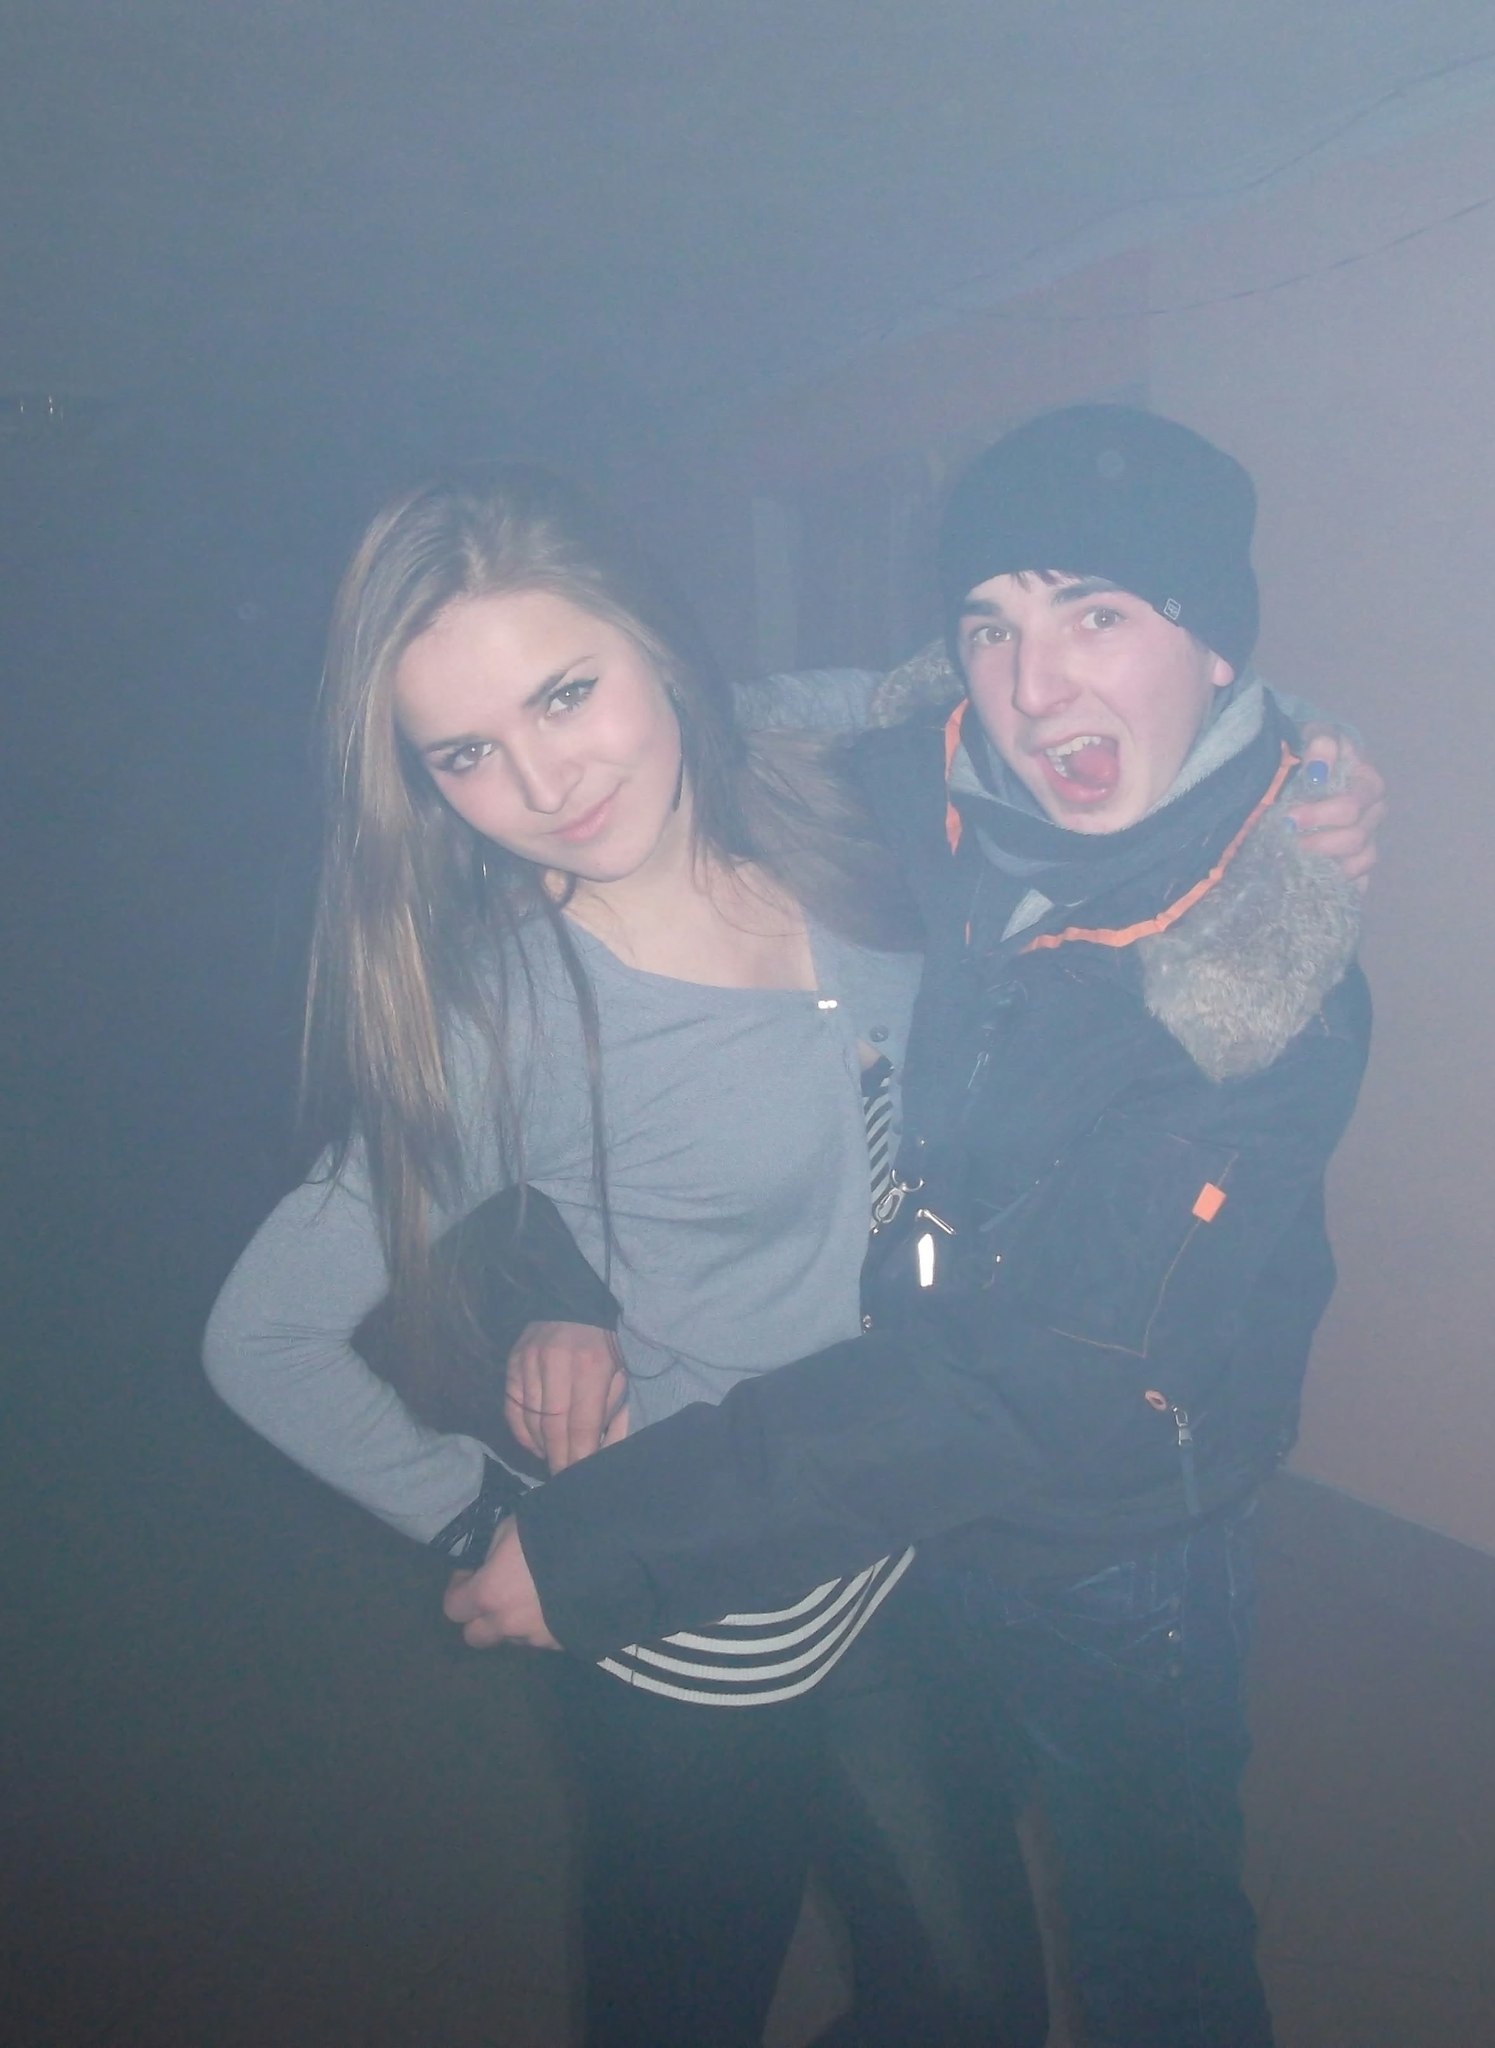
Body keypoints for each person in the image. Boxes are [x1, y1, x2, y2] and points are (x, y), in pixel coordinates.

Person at [449, 405, 1375, 2047]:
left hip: (1110, 1544)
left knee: (1156, 1940)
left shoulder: (1259, 993)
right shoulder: (898, 796)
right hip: (878, 1502)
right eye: (991, 626)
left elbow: (1039, 1375)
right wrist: (560, 1283)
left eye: (1098, 613)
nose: (1036, 689)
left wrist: (615, 1541)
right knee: (943, 1955)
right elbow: (590, 1027)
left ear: (1216, 646)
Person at [204, 464, 1063, 2048]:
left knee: (973, 2004)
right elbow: (263, 1337)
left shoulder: (825, 795)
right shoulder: (512, 1013)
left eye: (565, 692)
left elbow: (1051, 689)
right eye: (466, 753)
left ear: (658, 648)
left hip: (882, 1539)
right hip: (689, 1636)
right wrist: (501, 1522)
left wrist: (1301, 776)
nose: (544, 780)